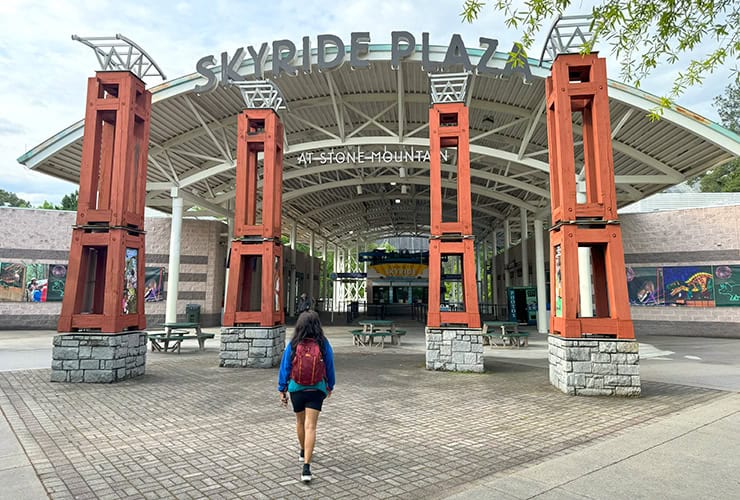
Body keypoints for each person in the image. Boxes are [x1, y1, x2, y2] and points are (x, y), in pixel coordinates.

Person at [277, 310, 335, 483]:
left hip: (296, 388)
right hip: (316, 389)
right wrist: (330, 385)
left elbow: (285, 366)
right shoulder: (323, 344)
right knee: (311, 427)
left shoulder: (294, 344)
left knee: (300, 422)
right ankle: (306, 468)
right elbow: (330, 366)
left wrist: (282, 388)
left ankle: (303, 451)